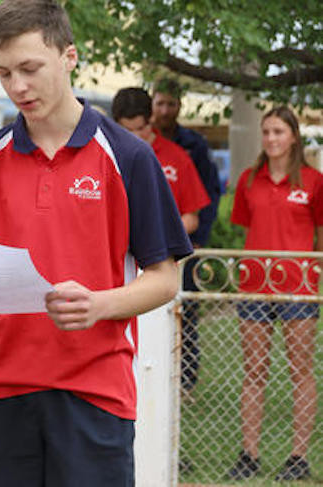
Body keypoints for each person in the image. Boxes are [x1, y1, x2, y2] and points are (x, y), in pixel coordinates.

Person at [0, 1, 192, 485]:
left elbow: (165, 279)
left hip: (94, 394)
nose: (17, 87)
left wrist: (99, 304)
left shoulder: (129, 157)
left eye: (30, 69)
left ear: (69, 56)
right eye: (4, 72)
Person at [227, 106, 322, 481]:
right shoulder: (250, 180)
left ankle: (298, 457)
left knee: (301, 371)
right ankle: (248, 454)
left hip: (298, 289)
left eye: (278, 132)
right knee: (254, 373)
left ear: (294, 137)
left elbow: (319, 234)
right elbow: (247, 229)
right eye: (266, 132)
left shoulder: (314, 181)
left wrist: (314, 277)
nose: (270, 139)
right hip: (253, 287)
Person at [152, 78, 221, 395]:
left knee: (187, 312)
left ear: (179, 106)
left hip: (187, 241)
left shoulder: (194, 144)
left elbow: (209, 195)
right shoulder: (137, 141)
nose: (165, 110)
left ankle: (187, 377)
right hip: (151, 245)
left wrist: (197, 239)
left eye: (171, 104)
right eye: (160, 103)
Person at [112, 87, 210, 236]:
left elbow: (191, 217)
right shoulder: (105, 155)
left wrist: (160, 243)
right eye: (126, 130)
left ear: (152, 118)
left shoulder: (178, 157)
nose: (135, 137)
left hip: (160, 255)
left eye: (140, 128)